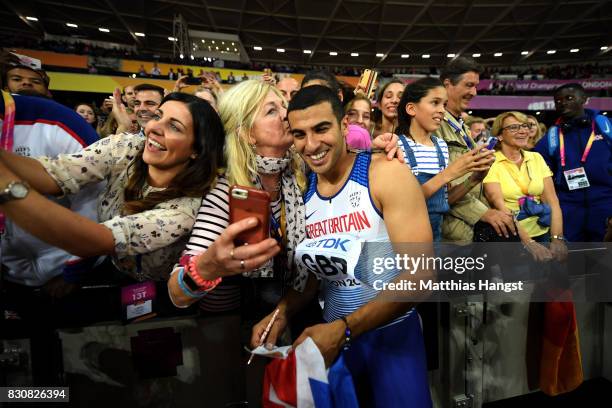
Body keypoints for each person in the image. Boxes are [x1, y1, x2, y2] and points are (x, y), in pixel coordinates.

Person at [251, 85, 434, 407]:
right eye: (300, 134)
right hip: (333, 340)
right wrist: (281, 312)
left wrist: (346, 329)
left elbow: (421, 276)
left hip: (391, 337)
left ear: (344, 126)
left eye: (321, 129)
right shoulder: (302, 191)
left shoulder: (386, 174)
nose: (312, 145)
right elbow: (311, 279)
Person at [0, 93, 225, 284]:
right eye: (158, 116)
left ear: (196, 150)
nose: (155, 128)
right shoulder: (126, 146)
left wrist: (7, 188)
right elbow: (57, 173)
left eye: (174, 127)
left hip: (163, 289)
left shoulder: (188, 207)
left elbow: (95, 240)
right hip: (110, 270)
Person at [396, 78, 494, 241]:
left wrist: (474, 179)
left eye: (444, 104)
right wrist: (449, 172)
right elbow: (401, 203)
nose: (442, 110)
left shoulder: (441, 146)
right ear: (411, 108)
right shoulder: (397, 146)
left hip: (437, 238)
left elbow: (445, 200)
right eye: (435, 103)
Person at [437, 57, 516, 242]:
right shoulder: (436, 126)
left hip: (468, 231)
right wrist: (484, 213)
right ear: (448, 84)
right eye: (468, 85)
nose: (474, 92)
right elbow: (438, 191)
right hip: (451, 236)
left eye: (476, 86)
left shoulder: (462, 126)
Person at [484, 111, 566, 261]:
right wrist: (528, 243)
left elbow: (552, 201)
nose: (522, 131)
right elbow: (500, 207)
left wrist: (557, 238)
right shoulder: (490, 161)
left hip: (544, 232)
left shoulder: (536, 158)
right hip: (512, 237)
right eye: (514, 127)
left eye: (525, 126)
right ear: (500, 135)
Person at [534, 83, 612, 242]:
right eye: (558, 101)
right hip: (568, 208)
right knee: (573, 261)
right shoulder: (552, 136)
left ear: (584, 99)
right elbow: (535, 164)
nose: (563, 103)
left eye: (569, 98)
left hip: (606, 204)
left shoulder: (606, 127)